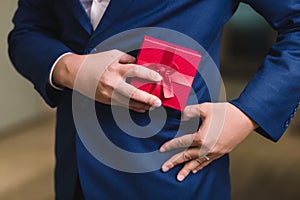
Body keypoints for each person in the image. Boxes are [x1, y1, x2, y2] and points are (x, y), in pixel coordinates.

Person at [8, 0, 300, 199]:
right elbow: (28, 30)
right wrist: (68, 68)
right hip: (75, 170)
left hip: (172, 168)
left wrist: (248, 114)